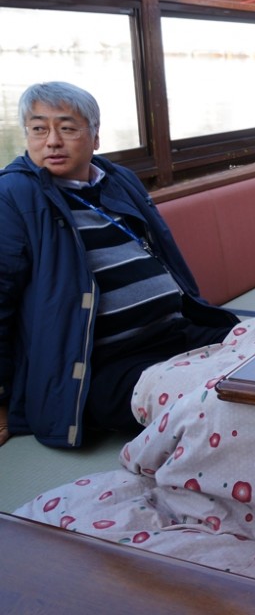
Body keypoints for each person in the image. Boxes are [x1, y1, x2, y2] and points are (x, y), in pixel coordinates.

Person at [0, 82, 239, 449]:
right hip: (99, 368)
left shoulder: (118, 180)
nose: (52, 141)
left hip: (174, 334)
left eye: (67, 128)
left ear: (95, 137)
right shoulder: (15, 195)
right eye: (38, 129)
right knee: (223, 397)